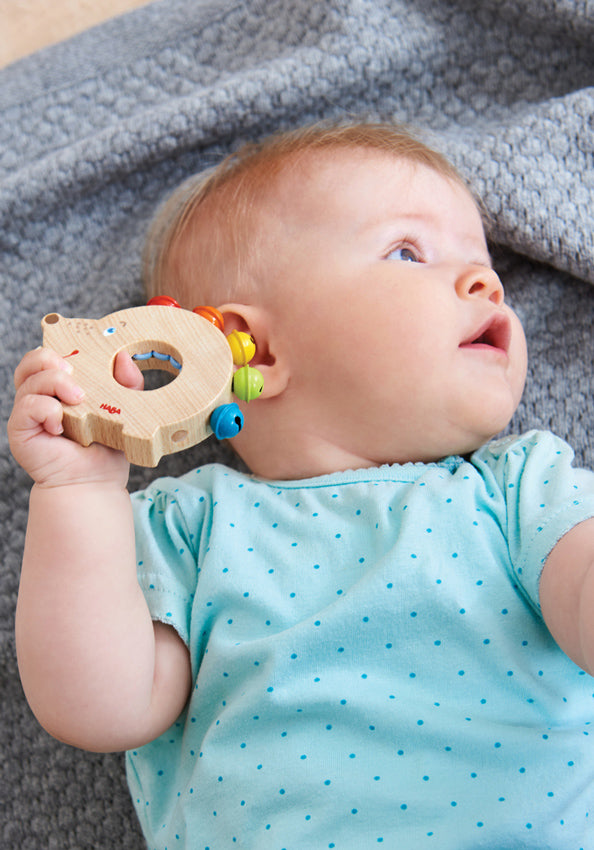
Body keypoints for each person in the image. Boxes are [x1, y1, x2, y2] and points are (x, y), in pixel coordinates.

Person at [8, 122, 594, 849]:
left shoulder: (519, 488)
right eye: (408, 251)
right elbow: (100, 709)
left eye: (482, 262)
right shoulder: (188, 527)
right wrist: (79, 493)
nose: (488, 282)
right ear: (257, 349)